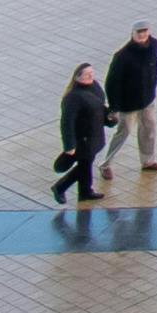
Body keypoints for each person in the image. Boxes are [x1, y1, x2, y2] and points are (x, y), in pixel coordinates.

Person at [102, 23, 157, 177]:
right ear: (132, 34)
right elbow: (111, 83)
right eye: (138, 32)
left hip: (147, 99)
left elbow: (156, 64)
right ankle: (105, 164)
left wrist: (152, 85)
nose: (142, 34)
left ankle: (148, 161)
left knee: (149, 130)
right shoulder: (122, 56)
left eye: (144, 31)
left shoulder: (153, 44)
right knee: (123, 133)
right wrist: (114, 107)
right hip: (128, 104)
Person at [54, 61, 109, 208]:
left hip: (94, 134)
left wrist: (109, 119)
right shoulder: (73, 97)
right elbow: (67, 123)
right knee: (85, 164)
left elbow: (100, 107)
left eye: (92, 73)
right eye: (87, 74)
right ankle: (62, 188)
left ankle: (84, 191)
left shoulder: (94, 86)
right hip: (83, 139)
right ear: (77, 77)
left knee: (85, 164)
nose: (91, 76)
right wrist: (69, 146)